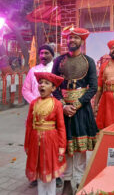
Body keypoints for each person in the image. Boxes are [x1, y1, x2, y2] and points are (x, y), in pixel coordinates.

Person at [52, 25, 98, 195]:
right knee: (65, 147)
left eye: (76, 37)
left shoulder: (89, 61)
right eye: (70, 38)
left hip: (81, 109)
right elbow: (53, 85)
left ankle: (78, 181)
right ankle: (65, 181)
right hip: (63, 110)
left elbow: (93, 87)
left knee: (80, 148)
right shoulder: (59, 61)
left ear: (82, 41)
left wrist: (77, 104)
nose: (72, 40)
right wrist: (63, 105)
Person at [22, 44, 64, 188]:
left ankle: (56, 175)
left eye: (46, 53)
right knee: (36, 146)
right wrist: (36, 101)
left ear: (52, 54)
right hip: (37, 113)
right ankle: (36, 174)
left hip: (54, 111)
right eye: (41, 53)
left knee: (53, 145)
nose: (43, 56)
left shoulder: (57, 68)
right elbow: (25, 89)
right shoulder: (33, 70)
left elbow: (61, 89)